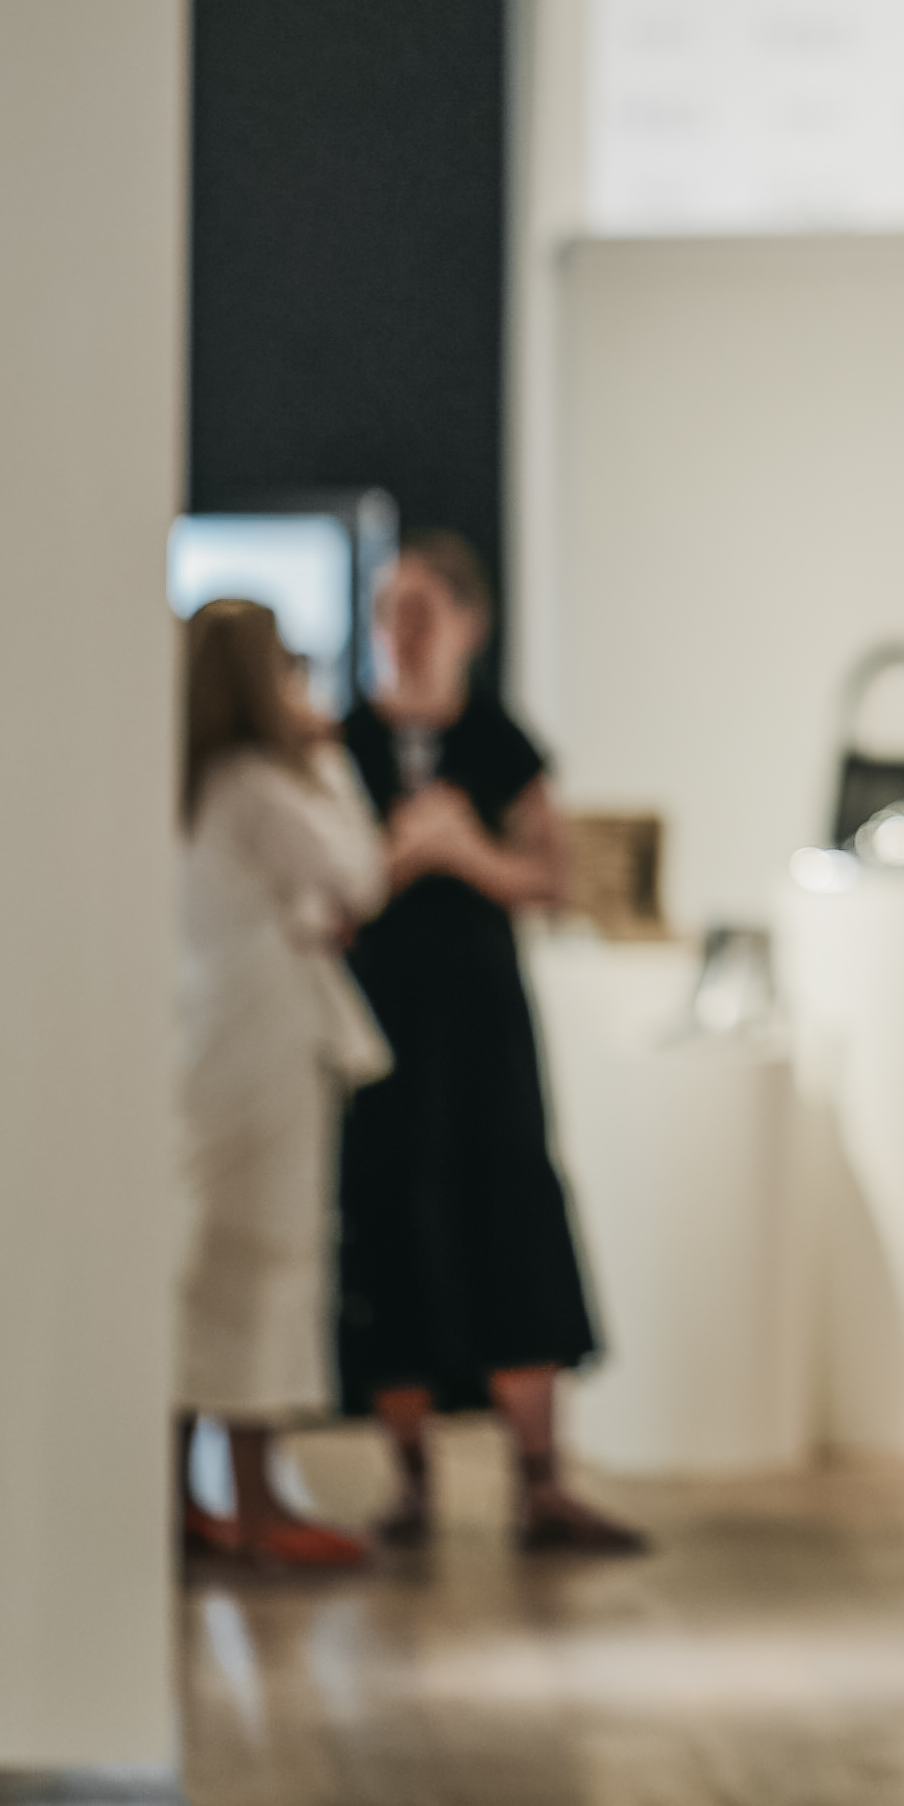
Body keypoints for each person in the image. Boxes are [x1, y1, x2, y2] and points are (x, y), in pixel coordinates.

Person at [340, 530, 642, 1556]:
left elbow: (554, 879)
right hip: (379, 1033)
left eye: (422, 610)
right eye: (390, 610)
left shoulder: (500, 740)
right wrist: (400, 853)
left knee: (509, 1212)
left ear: (469, 623)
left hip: (482, 1031)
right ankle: (408, 1481)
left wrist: (465, 852)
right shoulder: (344, 742)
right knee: (387, 1216)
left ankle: (539, 1480)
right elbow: (326, 896)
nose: (403, 631)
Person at [178, 598, 391, 1572]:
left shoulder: (181, 788)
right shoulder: (261, 785)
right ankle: (260, 1505)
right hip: (264, 1049)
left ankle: (186, 1500)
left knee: (199, 1268)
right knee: (269, 1261)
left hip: (198, 1043)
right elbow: (361, 870)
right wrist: (329, 758)